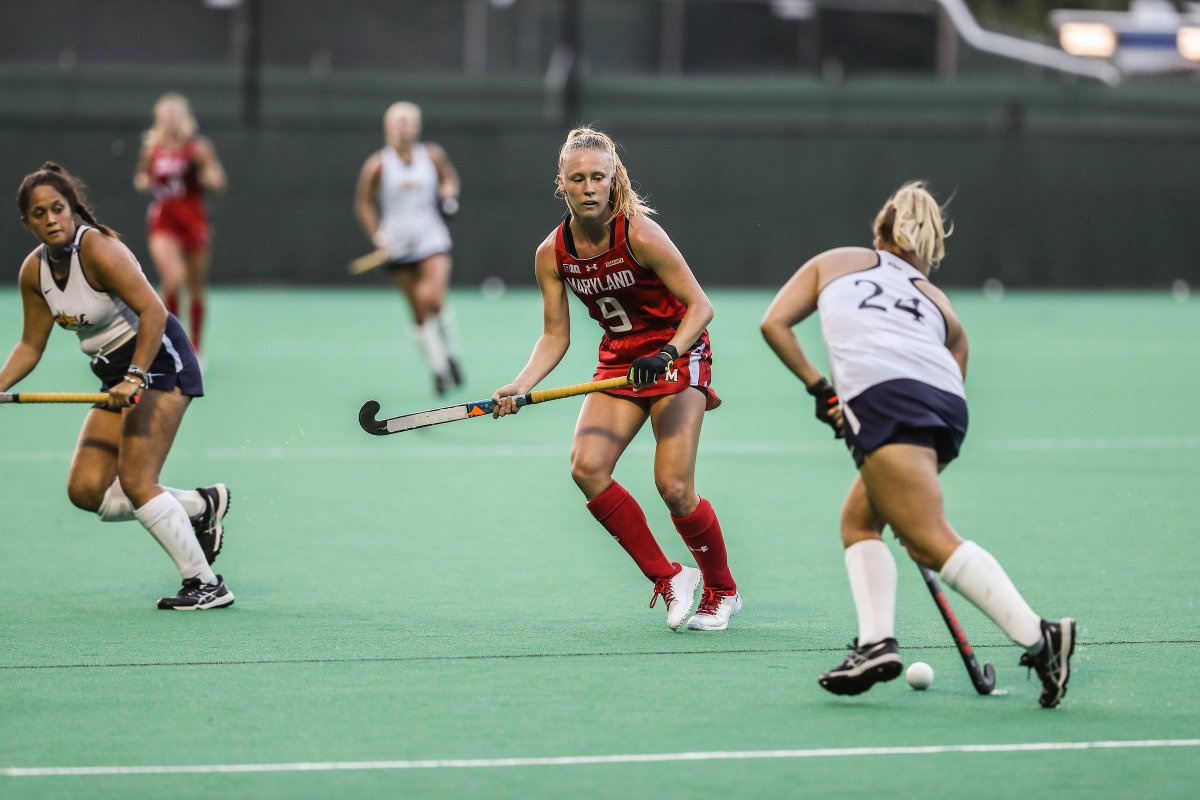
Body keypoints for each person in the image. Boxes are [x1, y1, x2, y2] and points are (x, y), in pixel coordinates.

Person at [760, 180, 1076, 707]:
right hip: (945, 408)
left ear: (879, 231)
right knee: (860, 521)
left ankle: (1043, 640)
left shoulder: (835, 262)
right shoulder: (938, 300)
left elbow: (775, 324)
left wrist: (823, 391)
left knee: (929, 538)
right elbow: (953, 377)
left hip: (886, 401)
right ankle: (875, 644)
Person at [491, 127, 740, 632]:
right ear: (560, 182)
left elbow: (701, 307)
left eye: (597, 178)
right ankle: (670, 577)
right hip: (620, 364)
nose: (587, 187)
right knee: (586, 467)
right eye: (577, 178)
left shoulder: (641, 235)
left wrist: (669, 351)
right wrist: (520, 384)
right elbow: (554, 337)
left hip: (678, 356)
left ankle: (723, 590)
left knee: (673, 487)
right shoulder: (552, 254)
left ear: (612, 182)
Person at [2, 162, 233, 610]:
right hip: (115, 379)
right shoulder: (34, 273)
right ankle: (201, 506)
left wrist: (135, 376)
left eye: (58, 209)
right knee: (87, 490)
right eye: (39, 213)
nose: (50, 219)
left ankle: (206, 584)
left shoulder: (100, 250)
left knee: (136, 481)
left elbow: (155, 312)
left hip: (159, 364)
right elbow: (31, 345)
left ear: (73, 210)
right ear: (27, 222)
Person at [355, 101, 464, 396]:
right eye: (397, 122)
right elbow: (364, 203)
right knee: (417, 311)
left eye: (408, 121)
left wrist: (448, 193)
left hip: (431, 240)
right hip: (397, 248)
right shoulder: (378, 164)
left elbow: (449, 179)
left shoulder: (431, 155)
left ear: (417, 126)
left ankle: (451, 355)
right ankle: (439, 369)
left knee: (431, 296)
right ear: (388, 127)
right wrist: (379, 237)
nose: (403, 127)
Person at [133, 92, 226, 354]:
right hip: (164, 220)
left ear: (186, 119)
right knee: (172, 279)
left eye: (176, 116)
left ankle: (196, 346)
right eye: (166, 116)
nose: (171, 122)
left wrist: (208, 177)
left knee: (196, 286)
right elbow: (141, 176)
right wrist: (144, 181)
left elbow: (218, 180)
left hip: (193, 220)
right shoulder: (152, 148)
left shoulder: (197, 148)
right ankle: (174, 342)